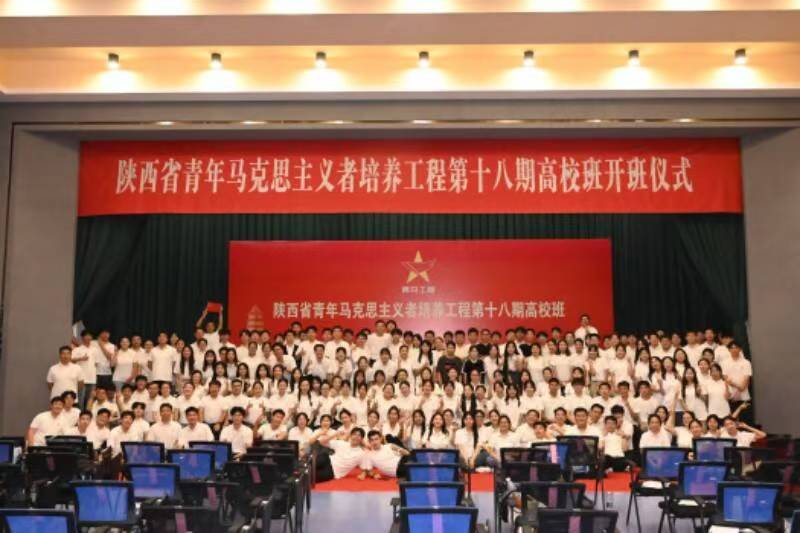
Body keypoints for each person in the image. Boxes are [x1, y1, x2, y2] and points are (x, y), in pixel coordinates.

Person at [72, 332, 100, 408]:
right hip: (81, 379)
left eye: (89, 336)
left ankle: (88, 414)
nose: (88, 338)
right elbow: (71, 360)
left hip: (92, 379)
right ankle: (80, 414)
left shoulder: (95, 350)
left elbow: (96, 363)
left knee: (90, 400)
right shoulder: (77, 349)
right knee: (80, 400)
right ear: (82, 338)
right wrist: (80, 358)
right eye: (86, 336)